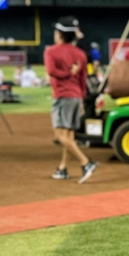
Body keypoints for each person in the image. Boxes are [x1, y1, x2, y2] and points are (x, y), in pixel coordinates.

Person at [45, 17, 98, 184]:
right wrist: (81, 100)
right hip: (76, 97)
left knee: (60, 135)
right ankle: (62, 169)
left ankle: (86, 163)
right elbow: (83, 80)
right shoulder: (80, 54)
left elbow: (51, 71)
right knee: (69, 135)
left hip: (62, 96)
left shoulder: (51, 51)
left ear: (60, 34)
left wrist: (68, 73)